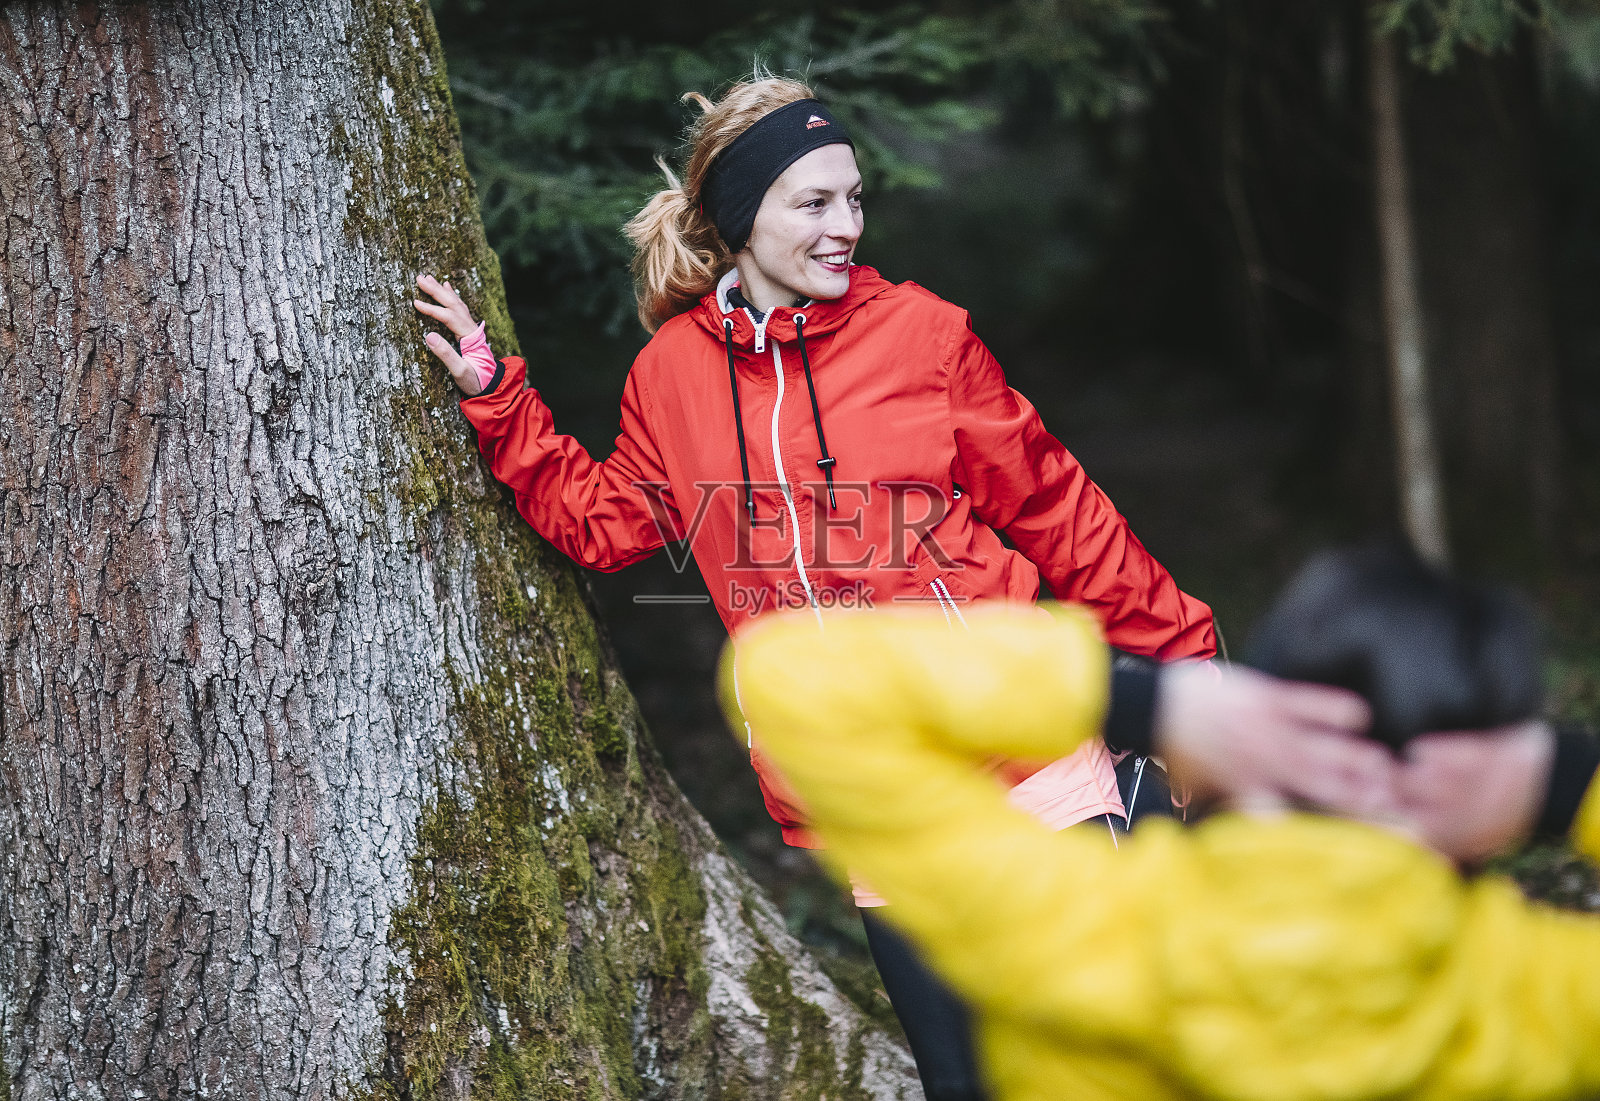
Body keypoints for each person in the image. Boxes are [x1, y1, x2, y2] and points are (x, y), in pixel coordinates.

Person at [414, 74, 1222, 1098]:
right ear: (740, 217)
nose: (847, 226)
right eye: (816, 203)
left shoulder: (922, 338)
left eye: (854, 198)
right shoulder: (671, 375)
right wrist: (499, 399)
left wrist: (1185, 667)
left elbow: (1059, 511)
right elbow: (607, 525)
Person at [723, 546, 1600, 1101]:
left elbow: (793, 680)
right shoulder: (1530, 996)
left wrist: (1143, 700)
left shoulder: (1080, 928)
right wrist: (1559, 784)